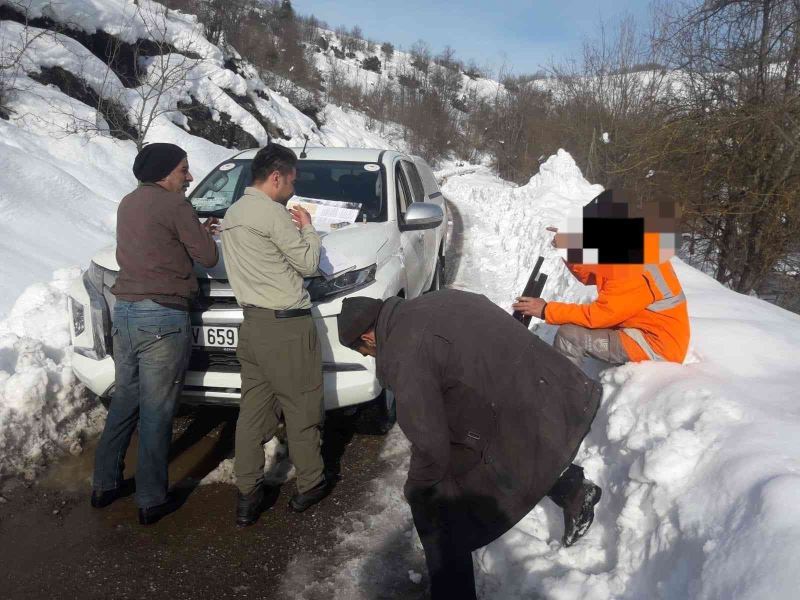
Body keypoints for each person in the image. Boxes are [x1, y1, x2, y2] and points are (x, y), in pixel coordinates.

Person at [337, 290, 603, 600]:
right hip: (547, 381)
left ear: (369, 337)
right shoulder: (435, 299)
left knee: (436, 507)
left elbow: (430, 445)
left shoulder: (403, 354)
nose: (368, 356)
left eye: (363, 351)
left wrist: (418, 488)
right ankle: (574, 490)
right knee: (512, 444)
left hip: (511, 401)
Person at [92, 142, 219, 525]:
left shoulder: (128, 202)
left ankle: (104, 484)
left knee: (125, 402)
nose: (189, 176)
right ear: (166, 172)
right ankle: (150, 499)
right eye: (184, 169)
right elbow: (209, 257)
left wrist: (193, 230)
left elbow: (155, 242)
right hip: (163, 316)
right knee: (158, 410)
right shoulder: (176, 205)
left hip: (126, 313)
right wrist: (202, 232)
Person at [220, 143, 327, 526]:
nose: (293, 190)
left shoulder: (233, 213)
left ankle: (248, 494)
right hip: (288, 326)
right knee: (302, 407)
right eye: (292, 181)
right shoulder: (272, 213)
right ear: (277, 176)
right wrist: (310, 229)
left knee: (252, 412)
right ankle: (311, 484)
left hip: (252, 325)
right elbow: (309, 264)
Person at [512, 193, 690, 367]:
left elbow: (599, 316)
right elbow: (590, 277)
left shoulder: (635, 263)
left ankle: (563, 394)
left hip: (657, 346)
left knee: (569, 337)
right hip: (640, 328)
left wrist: (545, 310)